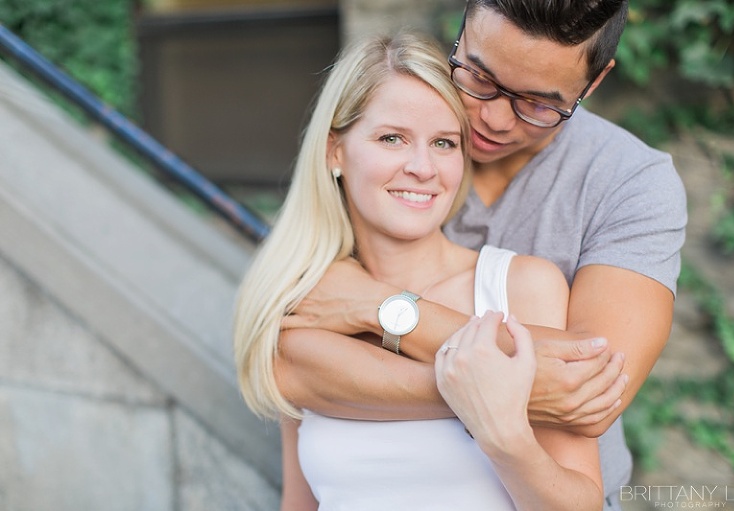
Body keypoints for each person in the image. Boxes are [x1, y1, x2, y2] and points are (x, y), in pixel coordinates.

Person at [277, 1, 688, 510]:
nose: (489, 119)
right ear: (462, 31)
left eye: (538, 104)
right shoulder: (399, 153)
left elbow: (584, 390)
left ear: (593, 83)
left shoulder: (630, 183)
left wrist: (384, 309)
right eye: (479, 77)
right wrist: (496, 384)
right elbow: (288, 370)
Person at [234, 32, 603, 510]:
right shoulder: (310, 303)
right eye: (392, 138)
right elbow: (299, 503)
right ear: (335, 152)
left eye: (444, 143)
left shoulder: (517, 286)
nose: (423, 168)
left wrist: (503, 435)